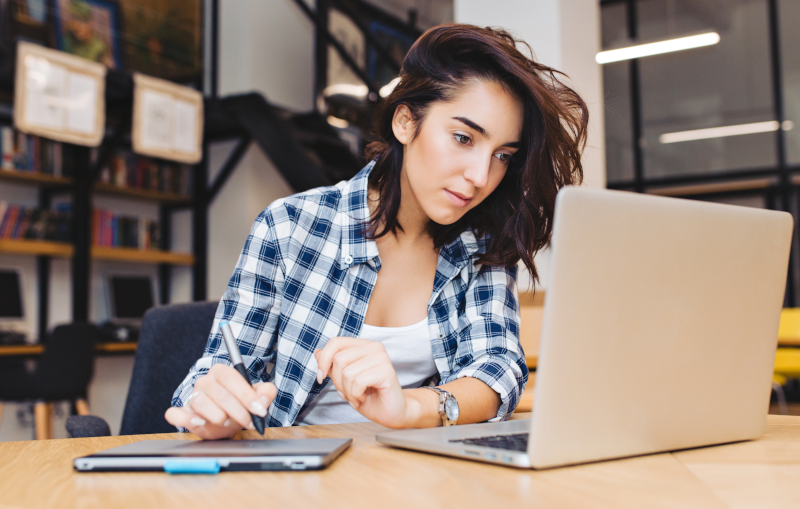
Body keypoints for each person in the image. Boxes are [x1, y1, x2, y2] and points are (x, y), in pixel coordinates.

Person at [166, 23, 588, 439]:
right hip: (293, 475)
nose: (481, 175)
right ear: (405, 122)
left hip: (415, 473)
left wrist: (410, 408)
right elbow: (212, 372)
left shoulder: (483, 243)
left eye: (502, 156)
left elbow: (497, 369)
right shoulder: (290, 227)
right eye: (463, 138)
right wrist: (214, 406)